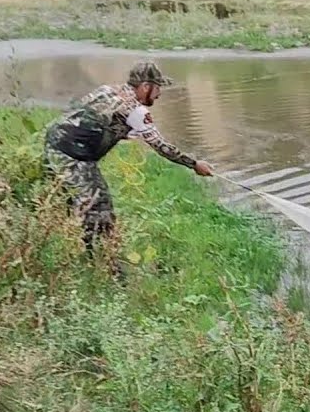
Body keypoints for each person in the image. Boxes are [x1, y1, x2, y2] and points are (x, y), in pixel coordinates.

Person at [43, 60, 214, 267]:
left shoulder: (107, 90)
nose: (159, 94)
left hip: (53, 145)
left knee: (75, 203)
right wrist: (194, 164)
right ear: (145, 87)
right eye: (157, 88)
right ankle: (102, 263)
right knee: (100, 208)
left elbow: (85, 114)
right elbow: (162, 147)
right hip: (73, 157)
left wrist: (115, 133)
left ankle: (72, 250)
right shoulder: (137, 112)